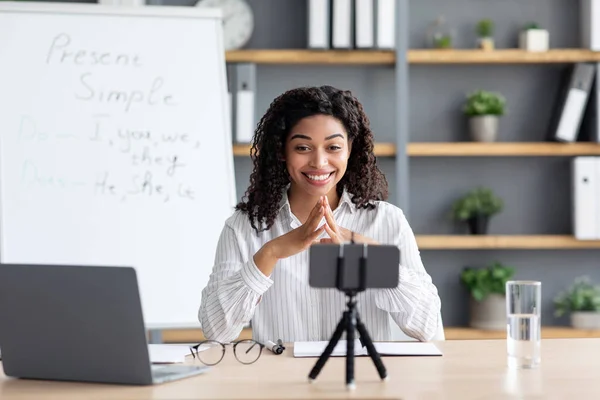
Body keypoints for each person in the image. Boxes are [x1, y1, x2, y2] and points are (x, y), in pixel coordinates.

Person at [198, 85, 441, 344]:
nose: (319, 162)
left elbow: (427, 326)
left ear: (350, 149)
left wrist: (374, 259)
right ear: (282, 151)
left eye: (333, 147)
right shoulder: (244, 227)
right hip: (279, 381)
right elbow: (216, 331)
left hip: (362, 380)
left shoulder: (386, 221)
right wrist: (270, 253)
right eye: (303, 147)